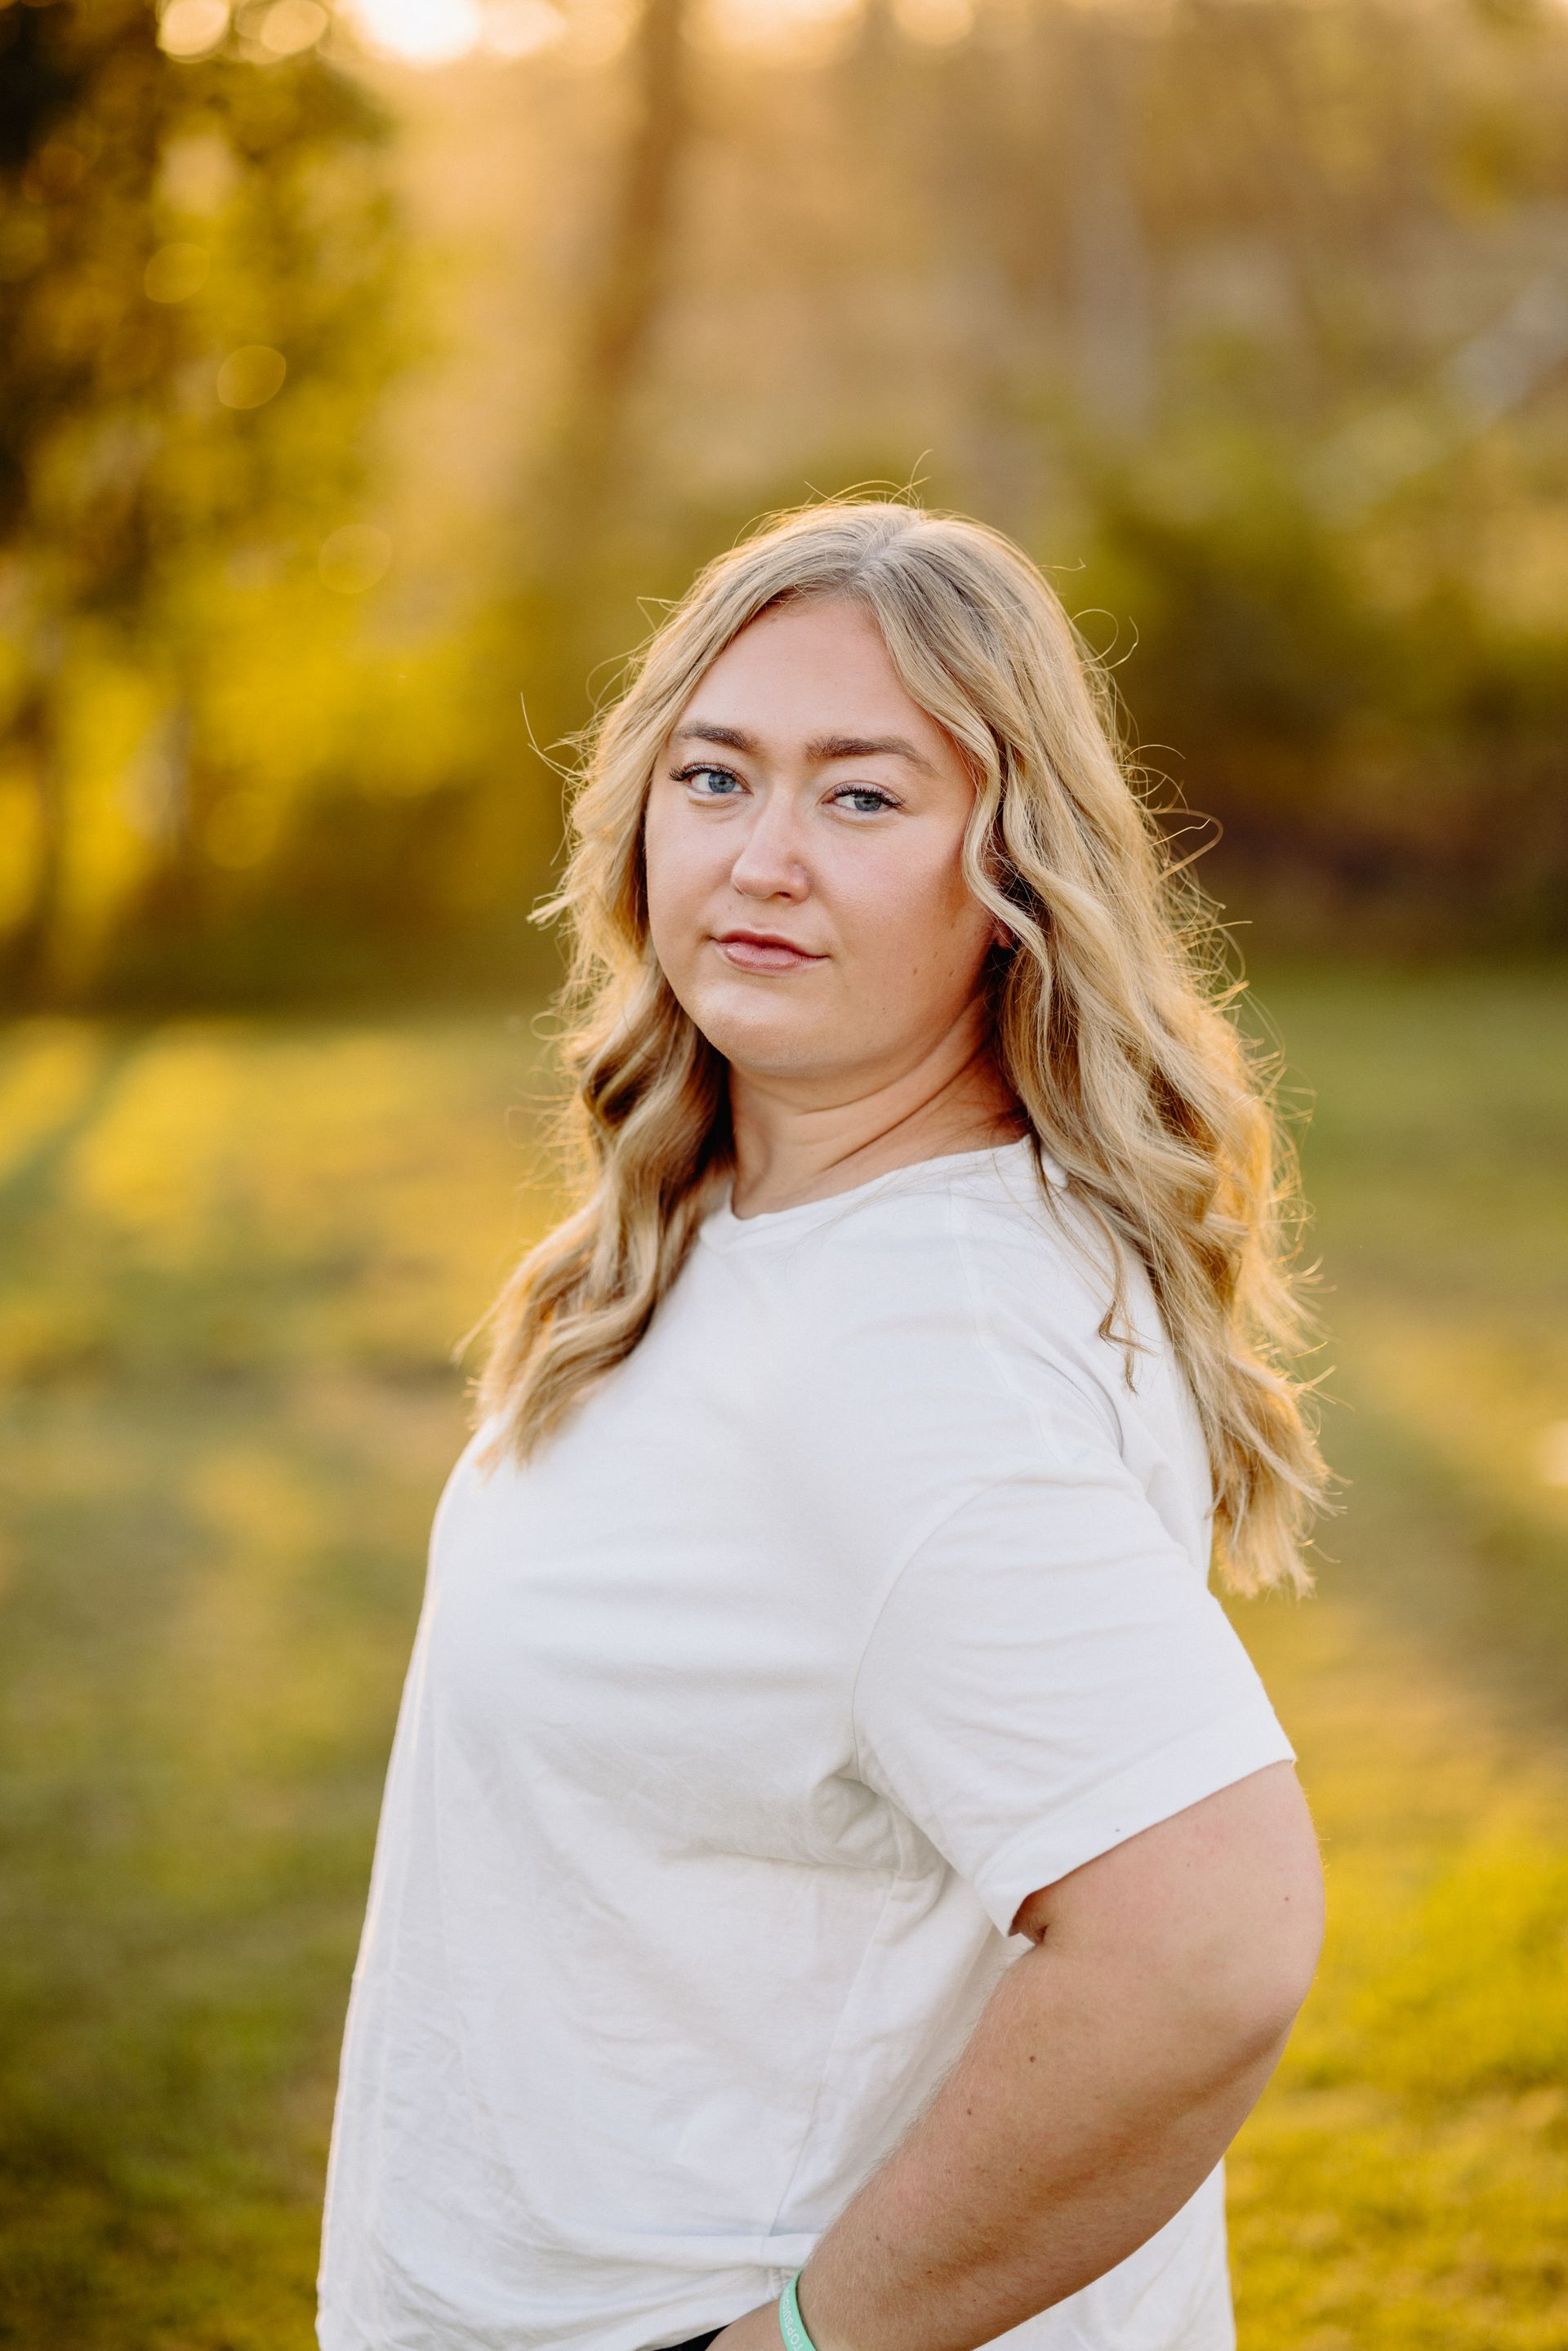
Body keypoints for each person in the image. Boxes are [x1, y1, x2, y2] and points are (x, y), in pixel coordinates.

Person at [316, 499, 1328, 2351]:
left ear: (1011, 868)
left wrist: (803, 2342)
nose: (763, 858)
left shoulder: (914, 1354)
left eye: (861, 799)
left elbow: (1208, 1941)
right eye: (717, 777)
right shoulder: (759, 1219)